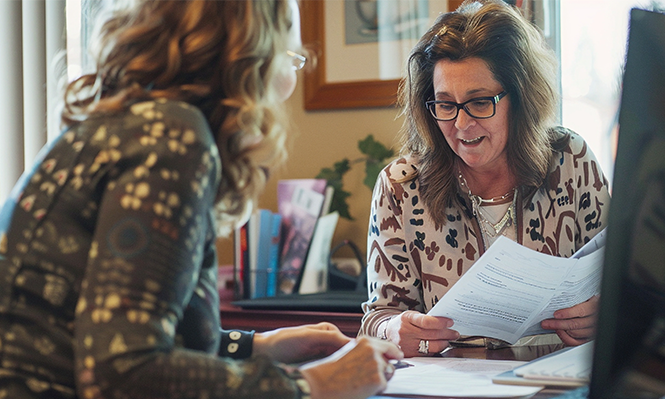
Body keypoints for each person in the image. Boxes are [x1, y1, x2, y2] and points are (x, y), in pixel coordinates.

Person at [0, 1, 403, 398]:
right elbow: (121, 373)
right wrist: (312, 384)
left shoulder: (121, 124)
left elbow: (125, 327)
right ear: (249, 59)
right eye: (290, 57)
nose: (289, 84)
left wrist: (253, 347)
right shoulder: (172, 140)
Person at [360, 0, 610, 357]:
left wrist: (603, 311)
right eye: (445, 104)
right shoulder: (401, 185)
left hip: (556, 377)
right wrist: (390, 328)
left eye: (479, 102)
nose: (461, 125)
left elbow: (625, 283)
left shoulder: (570, 159)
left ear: (521, 98)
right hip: (451, 385)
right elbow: (378, 316)